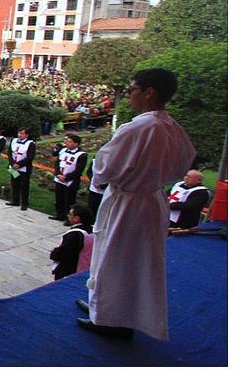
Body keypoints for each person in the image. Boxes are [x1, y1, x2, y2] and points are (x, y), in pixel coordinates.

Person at [78, 68, 196, 340]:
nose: (129, 94)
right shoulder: (171, 127)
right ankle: (105, 308)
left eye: (132, 89)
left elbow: (104, 168)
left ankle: (110, 319)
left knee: (116, 259)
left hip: (128, 204)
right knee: (133, 261)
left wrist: (105, 178)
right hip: (151, 200)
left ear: (149, 92)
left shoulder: (137, 128)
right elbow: (183, 163)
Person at [50, 205, 94, 281]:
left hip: (70, 271)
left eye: (70, 214)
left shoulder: (75, 234)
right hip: (87, 269)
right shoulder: (93, 231)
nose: (67, 216)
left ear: (77, 218)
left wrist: (54, 253)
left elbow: (63, 252)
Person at [51, 134, 87, 223]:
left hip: (71, 181)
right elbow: (57, 163)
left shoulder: (81, 155)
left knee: (69, 200)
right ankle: (59, 214)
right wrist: (58, 174)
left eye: (70, 142)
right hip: (59, 178)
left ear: (76, 144)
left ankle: (69, 218)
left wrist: (66, 178)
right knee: (59, 198)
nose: (67, 143)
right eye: (67, 141)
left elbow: (79, 169)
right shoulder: (63, 151)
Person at [6, 128, 36, 211]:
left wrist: (19, 164)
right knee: (14, 183)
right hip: (13, 167)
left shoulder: (30, 144)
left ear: (27, 135)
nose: (20, 135)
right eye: (19, 133)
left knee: (24, 186)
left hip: (24, 168)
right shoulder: (14, 141)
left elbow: (30, 157)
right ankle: (15, 200)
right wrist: (13, 163)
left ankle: (24, 203)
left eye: (22, 133)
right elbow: (9, 153)